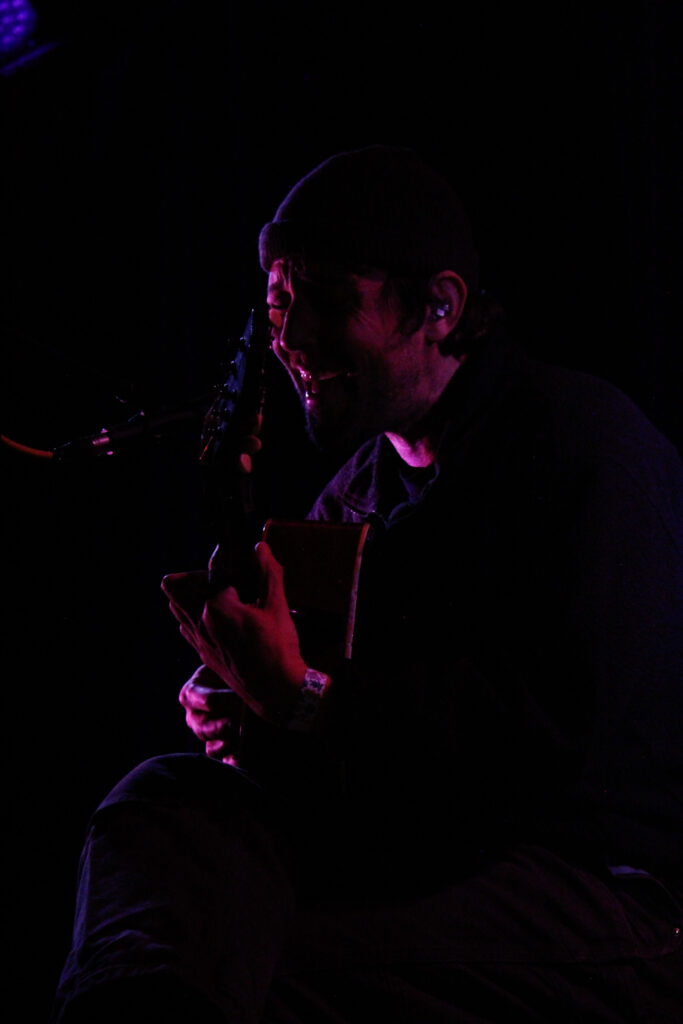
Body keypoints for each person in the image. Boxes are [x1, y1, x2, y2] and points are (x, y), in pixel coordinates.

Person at [51, 145, 683, 1023]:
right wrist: (253, 712)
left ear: (439, 305)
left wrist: (298, 697)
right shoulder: (352, 495)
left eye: (327, 299)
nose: (292, 339)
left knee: (232, 952)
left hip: (596, 886)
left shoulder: (582, 449)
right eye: (279, 302)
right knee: (165, 800)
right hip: (430, 863)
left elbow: (527, 755)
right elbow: (348, 752)